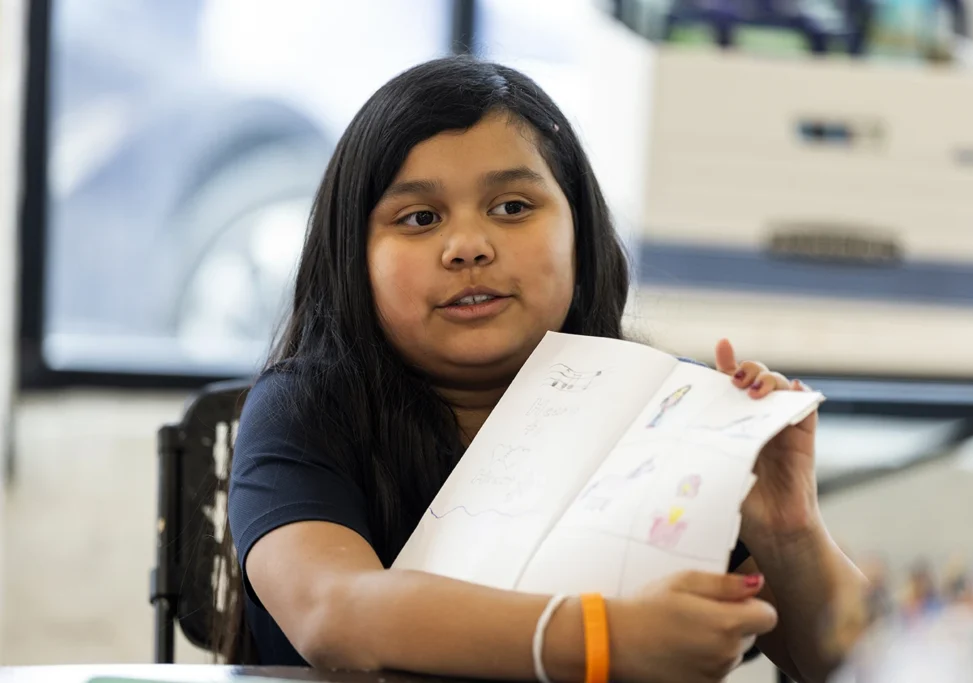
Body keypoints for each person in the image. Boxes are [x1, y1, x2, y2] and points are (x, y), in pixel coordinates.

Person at [220, 56, 865, 683]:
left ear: (581, 230)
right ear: (351, 257)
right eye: (420, 218)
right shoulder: (305, 410)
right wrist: (605, 641)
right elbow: (335, 613)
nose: (469, 245)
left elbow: (875, 667)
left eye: (512, 207)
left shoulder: (664, 412)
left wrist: (790, 533)